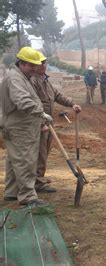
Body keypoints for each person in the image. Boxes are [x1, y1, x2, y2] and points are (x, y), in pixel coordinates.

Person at [1, 47, 52, 206]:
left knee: (14, 160)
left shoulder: (23, 76)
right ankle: (28, 197)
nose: (34, 69)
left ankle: (12, 192)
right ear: (21, 63)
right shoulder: (15, 79)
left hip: (20, 126)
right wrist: (41, 114)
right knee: (26, 161)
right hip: (20, 128)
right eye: (31, 65)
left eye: (35, 66)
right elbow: (22, 100)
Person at [31, 51, 82, 193]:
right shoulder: (33, 81)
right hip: (40, 123)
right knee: (40, 152)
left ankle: (38, 177)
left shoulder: (45, 80)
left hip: (48, 122)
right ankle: (37, 183)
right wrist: (41, 122)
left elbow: (57, 95)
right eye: (40, 63)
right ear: (34, 65)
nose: (44, 66)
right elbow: (33, 103)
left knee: (45, 151)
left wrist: (72, 104)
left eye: (45, 63)